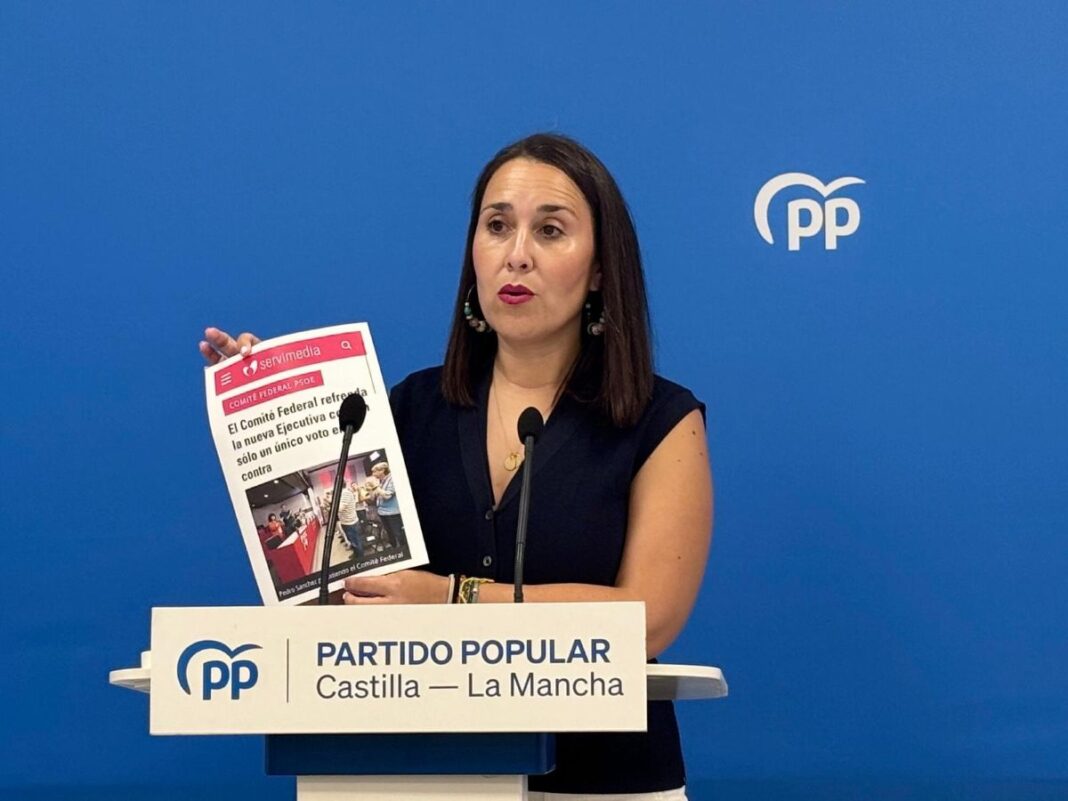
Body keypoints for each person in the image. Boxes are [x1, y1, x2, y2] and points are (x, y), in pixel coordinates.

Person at [199, 133, 712, 800]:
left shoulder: (660, 418)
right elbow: (338, 586)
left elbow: (647, 619)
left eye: (550, 230)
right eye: (497, 226)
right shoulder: (406, 409)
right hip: (421, 773)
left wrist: (450, 597)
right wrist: (270, 411)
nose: (517, 254)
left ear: (599, 270)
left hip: (605, 781)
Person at [370, 461, 403, 549]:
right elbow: (373, 498)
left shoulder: (392, 479)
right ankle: (394, 549)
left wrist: (376, 487)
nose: (373, 474)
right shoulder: (381, 481)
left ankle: (403, 551)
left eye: (374, 471)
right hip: (383, 513)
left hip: (392, 513)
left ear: (382, 470)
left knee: (398, 534)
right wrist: (372, 489)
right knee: (389, 533)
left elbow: (387, 496)